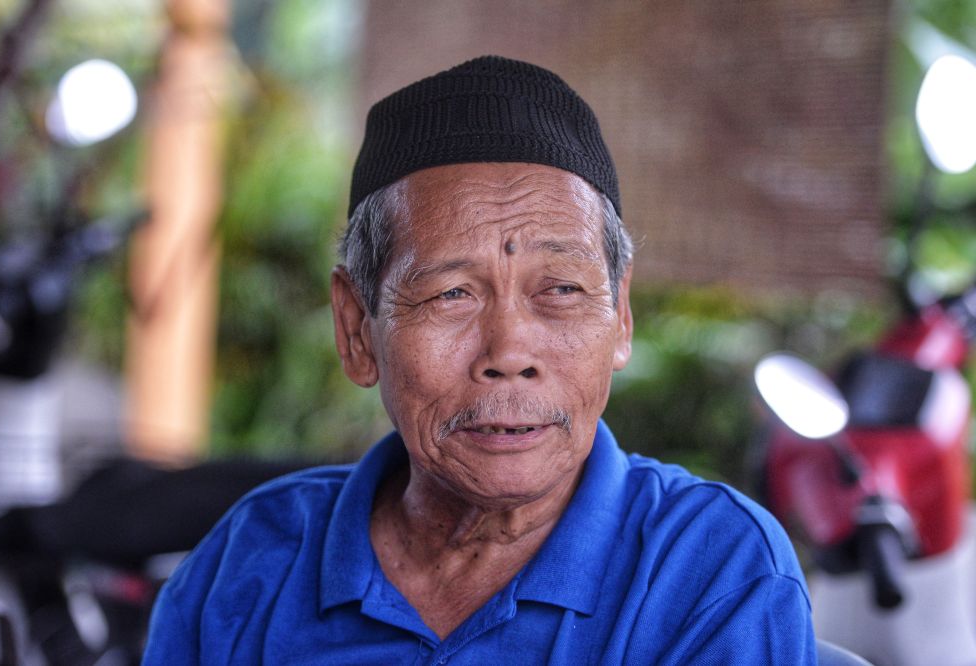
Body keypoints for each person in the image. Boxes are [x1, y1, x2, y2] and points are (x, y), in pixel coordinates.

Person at [142, 55, 816, 664]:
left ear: (620, 316)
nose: (509, 353)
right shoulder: (254, 562)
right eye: (451, 295)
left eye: (561, 290)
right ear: (356, 329)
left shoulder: (711, 571)